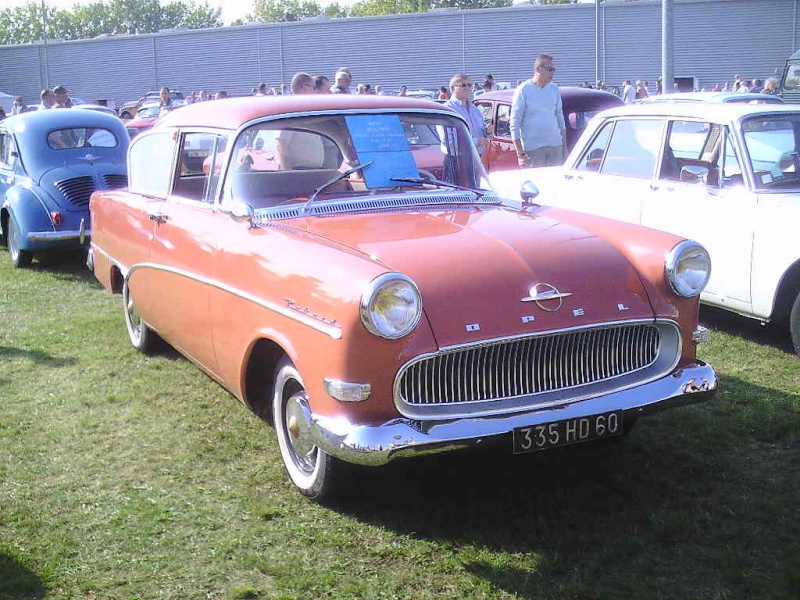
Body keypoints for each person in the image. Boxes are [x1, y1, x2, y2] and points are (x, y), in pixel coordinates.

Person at [509, 54, 567, 168]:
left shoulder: (554, 89)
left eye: (553, 70)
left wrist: (565, 148)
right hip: (533, 150)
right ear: (538, 69)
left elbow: (560, 119)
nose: (552, 73)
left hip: (555, 147)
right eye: (549, 69)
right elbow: (514, 123)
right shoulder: (523, 90)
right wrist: (520, 154)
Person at [275, 72, 324, 170]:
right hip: (298, 170)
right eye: (314, 87)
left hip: (311, 170)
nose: (317, 91)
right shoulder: (290, 112)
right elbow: (281, 144)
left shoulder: (308, 111)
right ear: (303, 87)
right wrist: (289, 174)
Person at [443, 74, 491, 155]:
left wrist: (487, 131)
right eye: (463, 85)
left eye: (469, 85)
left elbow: (481, 130)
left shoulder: (474, 108)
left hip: (478, 157)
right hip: (458, 159)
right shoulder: (447, 109)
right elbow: (449, 141)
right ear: (452, 88)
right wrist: (476, 142)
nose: (467, 88)